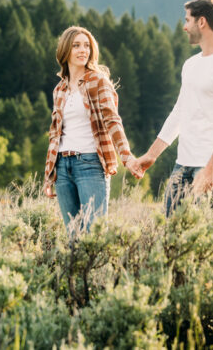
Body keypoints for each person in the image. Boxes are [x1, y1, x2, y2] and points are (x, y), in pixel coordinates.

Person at [127, 0, 213, 216]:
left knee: (210, 239)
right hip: (182, 164)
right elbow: (179, 113)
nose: (184, 27)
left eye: (187, 20)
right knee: (171, 237)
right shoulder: (191, 65)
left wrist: (210, 169)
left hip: (212, 167)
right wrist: (151, 155)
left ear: (202, 22)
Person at [43, 26, 140, 235]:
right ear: (65, 50)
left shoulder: (97, 81)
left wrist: (127, 156)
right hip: (62, 167)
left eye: (86, 46)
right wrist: (49, 175)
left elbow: (112, 120)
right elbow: (55, 135)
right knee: (73, 236)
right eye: (76, 45)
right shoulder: (59, 90)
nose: (82, 50)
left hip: (90, 163)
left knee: (94, 235)